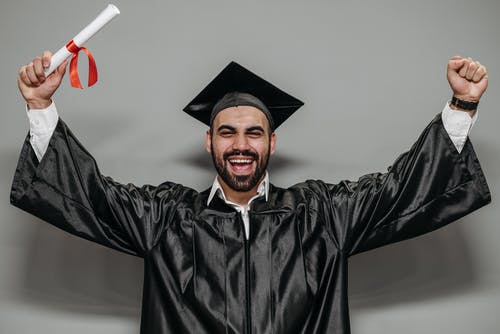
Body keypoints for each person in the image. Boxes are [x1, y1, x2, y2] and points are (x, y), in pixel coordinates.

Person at [12, 51, 490, 334]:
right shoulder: (165, 217)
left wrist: (461, 105)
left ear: (272, 142)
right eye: (227, 133)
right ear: (209, 141)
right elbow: (92, 196)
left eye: (253, 133)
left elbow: (400, 192)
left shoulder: (320, 215)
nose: (241, 145)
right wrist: (41, 105)